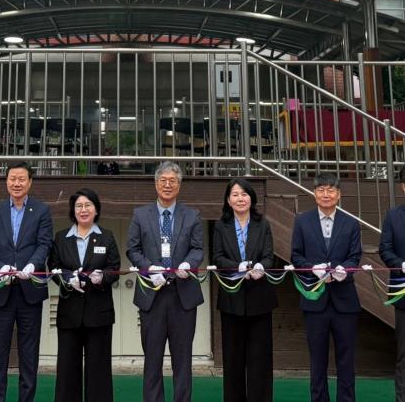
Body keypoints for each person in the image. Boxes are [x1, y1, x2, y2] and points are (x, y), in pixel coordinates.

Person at [126, 160, 204, 402]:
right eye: (163, 180)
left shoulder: (192, 215)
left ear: (179, 186)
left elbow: (198, 249)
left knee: (183, 360)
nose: (167, 185)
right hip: (152, 295)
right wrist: (149, 268)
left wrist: (188, 264)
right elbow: (132, 249)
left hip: (183, 296)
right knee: (152, 359)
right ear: (156, 184)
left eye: (172, 181)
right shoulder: (140, 214)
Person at [0, 161, 53, 402]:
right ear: (6, 181)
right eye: (12, 179)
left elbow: (44, 244)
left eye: (22, 179)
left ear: (30, 182)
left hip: (30, 292)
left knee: (29, 354)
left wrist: (32, 265)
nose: (16, 183)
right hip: (1, 291)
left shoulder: (41, 211)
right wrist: (0, 267)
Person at [291, 173, 361, 402]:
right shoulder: (303, 221)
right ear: (314, 194)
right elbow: (296, 256)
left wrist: (344, 270)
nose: (326, 194)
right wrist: (313, 269)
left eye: (331, 190)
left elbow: (355, 257)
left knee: (346, 359)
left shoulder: (351, 222)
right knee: (317, 359)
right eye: (321, 189)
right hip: (315, 300)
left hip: (345, 301)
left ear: (339, 194)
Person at [48, 188, 121, 402]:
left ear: (96, 209)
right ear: (73, 211)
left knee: (99, 369)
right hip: (69, 313)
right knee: (67, 369)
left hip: (99, 313)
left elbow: (114, 268)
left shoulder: (107, 236)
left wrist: (102, 278)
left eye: (88, 205)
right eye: (79, 206)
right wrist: (67, 278)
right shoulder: (61, 238)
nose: (83, 210)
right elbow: (53, 267)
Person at [213, 178, 278, 402]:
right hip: (232, 299)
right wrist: (236, 267)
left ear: (252, 198)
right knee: (233, 360)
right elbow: (218, 258)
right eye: (235, 194)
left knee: (260, 359)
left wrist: (261, 267)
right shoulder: (221, 225)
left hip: (260, 298)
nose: (240, 198)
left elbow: (268, 256)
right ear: (228, 200)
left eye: (244, 194)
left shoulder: (263, 224)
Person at [379, 165, 405, 402]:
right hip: (403, 295)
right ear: (403, 187)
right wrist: (401, 264)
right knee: (403, 354)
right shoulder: (393, 216)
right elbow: (385, 249)